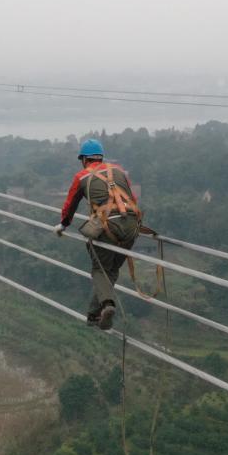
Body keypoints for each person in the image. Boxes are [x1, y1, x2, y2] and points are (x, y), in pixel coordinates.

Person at [54, 138, 142, 330]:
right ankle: (94, 315)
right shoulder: (118, 170)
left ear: (84, 159)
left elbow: (70, 206)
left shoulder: (81, 177)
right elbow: (132, 199)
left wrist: (63, 225)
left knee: (100, 269)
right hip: (131, 226)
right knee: (109, 270)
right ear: (100, 157)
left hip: (107, 227)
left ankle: (107, 305)